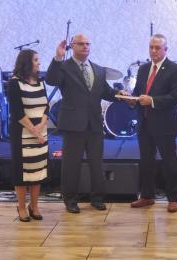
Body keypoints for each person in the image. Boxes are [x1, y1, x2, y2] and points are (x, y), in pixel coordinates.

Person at [45, 34, 127, 214]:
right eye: (81, 44)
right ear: (72, 46)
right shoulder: (64, 67)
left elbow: (106, 92)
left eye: (88, 44)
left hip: (94, 124)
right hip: (73, 124)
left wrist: (121, 95)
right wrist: (58, 57)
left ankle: (97, 198)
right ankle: (70, 200)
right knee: (71, 165)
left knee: (96, 164)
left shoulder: (98, 69)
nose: (85, 47)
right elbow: (51, 80)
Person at [126, 34, 177, 213]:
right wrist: (132, 99)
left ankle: (173, 199)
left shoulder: (175, 69)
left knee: (169, 161)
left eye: (157, 48)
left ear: (166, 49)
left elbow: (176, 97)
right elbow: (138, 92)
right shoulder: (143, 69)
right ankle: (146, 196)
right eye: (151, 47)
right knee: (146, 162)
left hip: (165, 125)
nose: (153, 51)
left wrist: (152, 100)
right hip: (144, 124)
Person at [7, 49, 49, 222]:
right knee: (22, 172)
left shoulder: (41, 82)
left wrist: (42, 125)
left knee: (37, 170)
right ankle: (22, 207)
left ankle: (34, 206)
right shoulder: (14, 83)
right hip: (23, 133)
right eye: (36, 60)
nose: (39, 62)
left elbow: (46, 106)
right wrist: (35, 130)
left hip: (40, 132)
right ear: (27, 62)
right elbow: (18, 113)